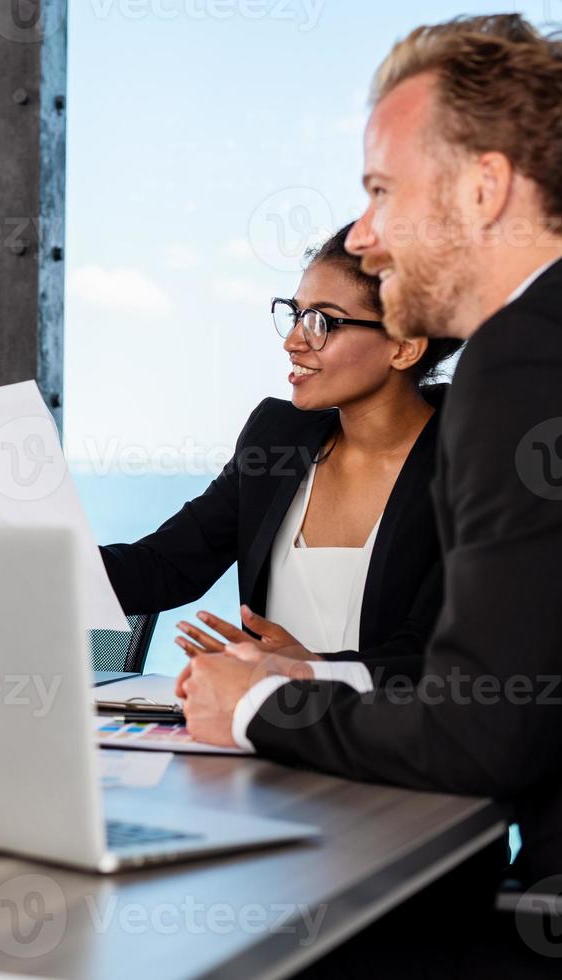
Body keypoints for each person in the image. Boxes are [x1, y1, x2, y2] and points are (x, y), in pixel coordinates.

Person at [179, 15, 562, 972]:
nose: (364, 234)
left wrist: (257, 705)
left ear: (483, 188)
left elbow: (481, 732)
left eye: (382, 192)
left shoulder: (522, 363)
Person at [96, 224, 461, 678]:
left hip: (394, 739)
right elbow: (164, 566)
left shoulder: (468, 468)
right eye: (295, 314)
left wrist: (310, 669)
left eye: (322, 322)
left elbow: (441, 656)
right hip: (265, 733)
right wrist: (18, 559)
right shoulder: (277, 438)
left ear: (405, 347)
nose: (293, 342)